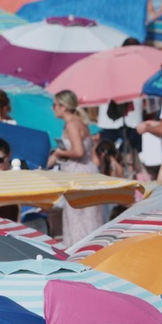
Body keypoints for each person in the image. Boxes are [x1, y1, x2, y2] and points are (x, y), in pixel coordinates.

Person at [49, 90, 107, 242]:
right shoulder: (77, 122)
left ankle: (81, 253)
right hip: (84, 172)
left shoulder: (72, 124)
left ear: (63, 106)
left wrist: (60, 152)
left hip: (79, 175)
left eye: (54, 105)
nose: (52, 108)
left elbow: (79, 151)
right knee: (87, 218)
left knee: (79, 219)